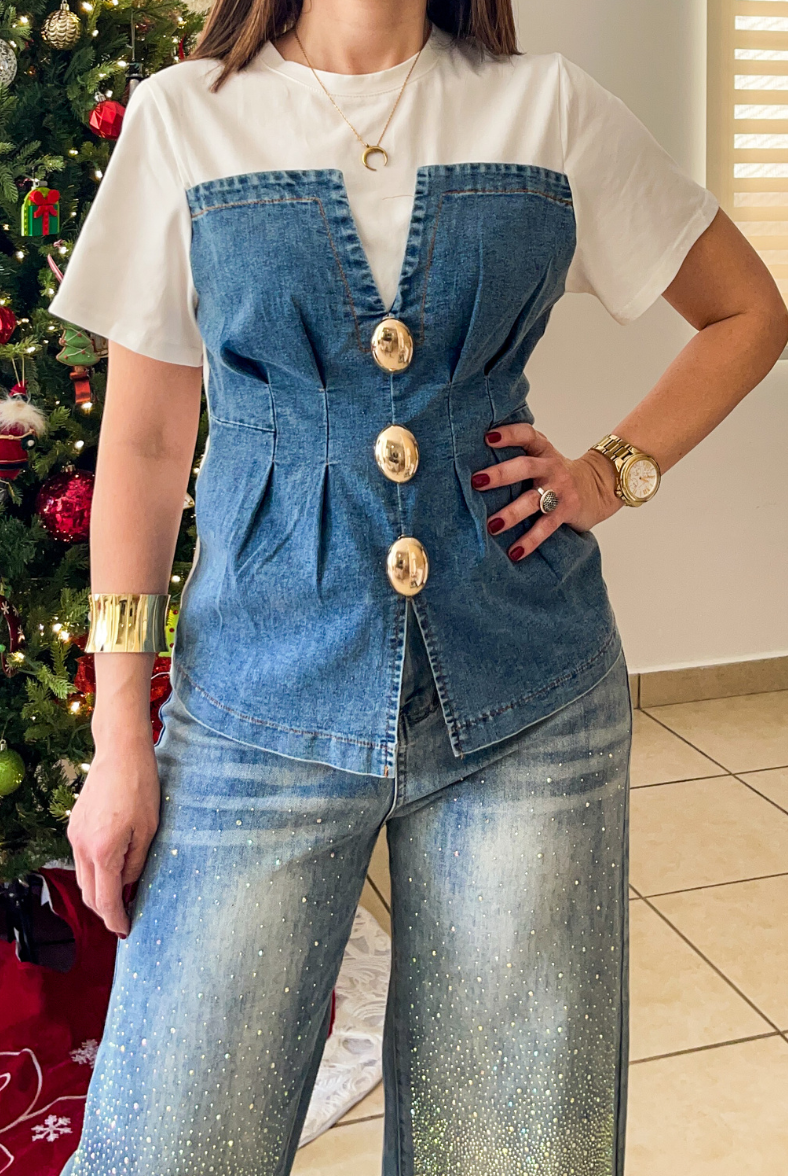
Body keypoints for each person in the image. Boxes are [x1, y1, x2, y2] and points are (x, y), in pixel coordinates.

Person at [51, 1, 787, 1173]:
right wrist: (116, 738)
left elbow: (747, 311)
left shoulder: (543, 106)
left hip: (527, 701)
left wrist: (610, 473)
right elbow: (141, 447)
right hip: (253, 705)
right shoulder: (185, 116)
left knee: (508, 1149)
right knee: (169, 1142)